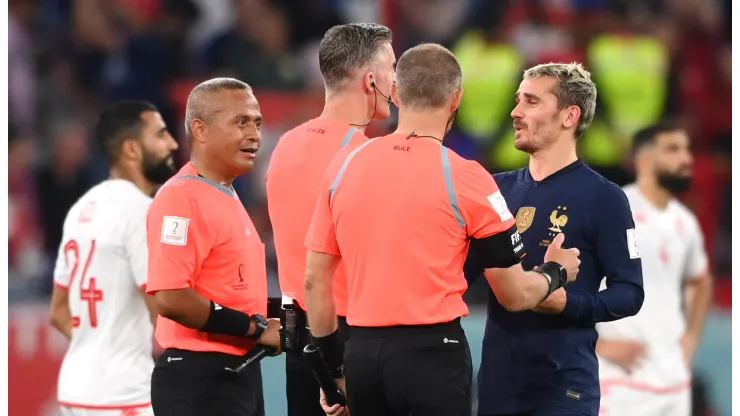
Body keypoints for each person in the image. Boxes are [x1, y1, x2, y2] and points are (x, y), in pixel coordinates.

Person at [304, 44, 581, 416]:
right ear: (456, 99)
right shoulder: (468, 178)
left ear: (397, 93)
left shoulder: (343, 166)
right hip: (432, 356)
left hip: (363, 353)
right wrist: (556, 271)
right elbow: (514, 294)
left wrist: (335, 373)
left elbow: (315, 281)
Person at [464, 62, 645, 416]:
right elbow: (460, 275)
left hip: (564, 389)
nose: (515, 112)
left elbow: (630, 292)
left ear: (569, 116)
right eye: (517, 101)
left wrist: (569, 305)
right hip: (498, 387)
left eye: (531, 102)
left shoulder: (604, 197)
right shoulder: (495, 189)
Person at [264, 22, 395, 416]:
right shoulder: (365, 158)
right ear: (371, 81)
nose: (398, 79)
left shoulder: (283, 146)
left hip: (299, 341)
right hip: (351, 342)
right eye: (392, 68)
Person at [145, 78, 281, 416]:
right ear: (200, 130)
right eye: (241, 122)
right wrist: (255, 328)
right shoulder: (181, 197)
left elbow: (228, 290)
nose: (254, 134)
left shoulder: (227, 193)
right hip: (199, 377)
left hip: (237, 372)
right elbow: (171, 296)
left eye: (257, 122)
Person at [49, 101, 179, 416]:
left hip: (77, 388)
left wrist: (98, 346)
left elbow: (58, 312)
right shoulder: (140, 211)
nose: (173, 143)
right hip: (123, 394)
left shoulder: (82, 208)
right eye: (160, 135)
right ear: (132, 150)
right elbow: (160, 308)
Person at [596, 123, 713, 416]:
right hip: (619, 383)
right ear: (644, 160)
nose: (687, 158)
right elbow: (568, 280)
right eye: (673, 149)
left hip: (672, 383)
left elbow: (701, 281)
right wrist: (598, 345)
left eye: (686, 149)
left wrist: (691, 338)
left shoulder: (684, 222)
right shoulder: (612, 209)